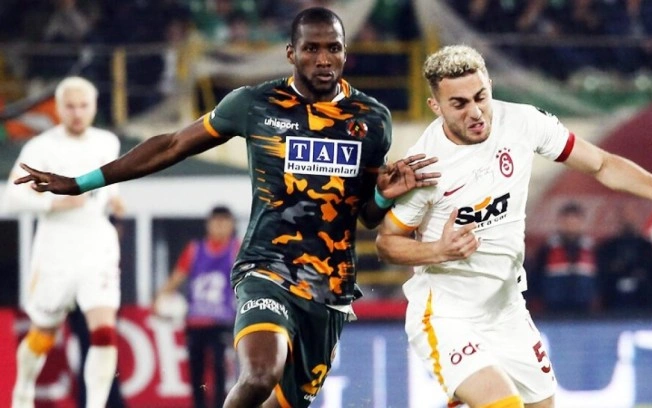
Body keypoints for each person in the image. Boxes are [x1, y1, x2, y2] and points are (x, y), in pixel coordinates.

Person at [13, 7, 439, 408]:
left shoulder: (371, 119)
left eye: (334, 48)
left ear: (346, 52)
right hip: (266, 269)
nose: (323, 59)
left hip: (330, 287)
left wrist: (383, 196)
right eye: (311, 48)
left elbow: (364, 215)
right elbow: (172, 144)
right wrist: (80, 182)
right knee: (259, 375)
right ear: (291, 53)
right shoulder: (254, 104)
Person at [375, 44, 652, 408]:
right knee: (502, 404)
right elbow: (387, 243)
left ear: (490, 85)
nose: (475, 112)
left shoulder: (523, 123)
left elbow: (601, 164)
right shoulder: (426, 166)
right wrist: (437, 250)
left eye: (480, 97)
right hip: (447, 314)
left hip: (506, 310)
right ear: (436, 106)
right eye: (459, 104)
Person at [3, 76, 125, 408]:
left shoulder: (108, 142)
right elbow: (12, 197)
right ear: (58, 108)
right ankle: (23, 389)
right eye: (70, 106)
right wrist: (54, 203)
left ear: (94, 107)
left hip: (96, 243)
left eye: (83, 106)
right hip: (56, 247)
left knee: (104, 330)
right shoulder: (41, 147)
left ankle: (96, 404)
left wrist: (114, 200)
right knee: (43, 334)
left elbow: (108, 184)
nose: (77, 113)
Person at [154, 205, 240, 408]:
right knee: (196, 371)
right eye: (216, 222)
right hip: (196, 321)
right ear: (208, 224)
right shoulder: (195, 249)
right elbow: (177, 277)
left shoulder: (236, 249)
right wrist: (158, 299)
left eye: (224, 222)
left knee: (220, 369)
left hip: (222, 321)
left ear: (231, 225)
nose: (219, 227)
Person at [530, 201, 599, 314]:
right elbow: (536, 276)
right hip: (553, 307)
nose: (571, 225)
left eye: (575, 221)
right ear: (560, 222)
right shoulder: (548, 248)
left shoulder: (591, 249)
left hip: (584, 307)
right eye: (567, 221)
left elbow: (599, 277)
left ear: (582, 222)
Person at [596, 202, 652, 310]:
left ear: (638, 217)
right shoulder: (607, 248)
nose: (628, 219)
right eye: (624, 215)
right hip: (613, 304)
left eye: (631, 214)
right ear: (618, 218)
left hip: (643, 305)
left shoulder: (647, 247)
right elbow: (604, 276)